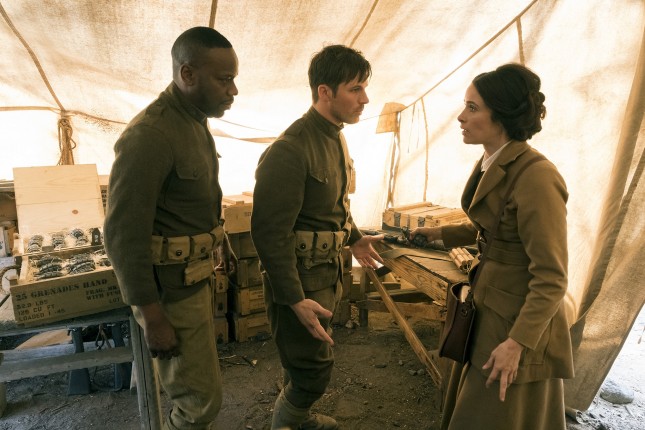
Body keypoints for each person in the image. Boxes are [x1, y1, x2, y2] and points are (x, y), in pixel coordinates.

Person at [411, 63, 574, 430]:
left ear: (501, 115)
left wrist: (517, 343)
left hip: (517, 320)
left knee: (495, 415)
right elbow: (497, 225)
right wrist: (442, 235)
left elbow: (552, 278)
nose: (461, 117)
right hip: (488, 307)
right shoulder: (494, 161)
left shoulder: (537, 177)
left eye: (472, 108)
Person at [104, 26, 238, 430]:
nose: (233, 91)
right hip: (168, 294)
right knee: (198, 404)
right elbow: (123, 235)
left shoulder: (193, 121)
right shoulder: (151, 135)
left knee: (200, 395)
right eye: (224, 80)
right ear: (188, 74)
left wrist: (220, 240)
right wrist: (153, 316)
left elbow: (189, 202)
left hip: (191, 281)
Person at [251, 44, 384, 430]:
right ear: (325, 92)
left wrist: (354, 237)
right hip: (300, 282)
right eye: (355, 89)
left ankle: (299, 418)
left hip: (326, 274)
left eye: (364, 88)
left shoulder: (335, 136)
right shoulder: (290, 150)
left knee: (303, 360)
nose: (365, 98)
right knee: (313, 370)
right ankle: (286, 422)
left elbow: (334, 203)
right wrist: (294, 299)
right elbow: (269, 234)